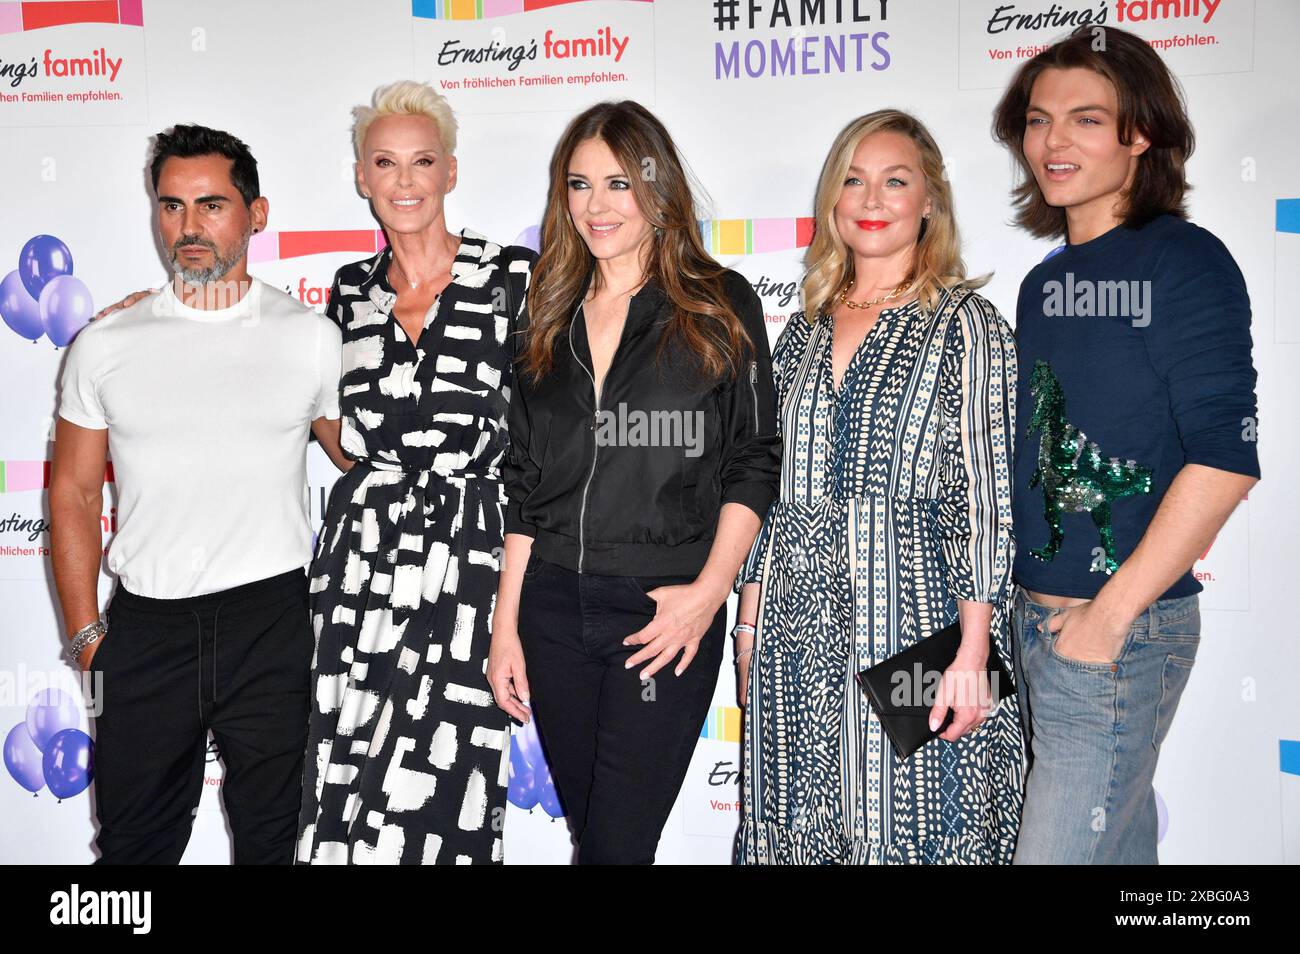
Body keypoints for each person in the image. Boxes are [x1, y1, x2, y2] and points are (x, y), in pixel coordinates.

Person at [992, 26, 1261, 864]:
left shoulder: (1186, 262)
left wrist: (1109, 617)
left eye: (1086, 119)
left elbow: (1225, 460)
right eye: (1039, 121)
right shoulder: (1043, 283)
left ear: (1139, 134)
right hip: (1033, 627)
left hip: (1115, 630)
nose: (1054, 142)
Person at [487, 100, 780, 864]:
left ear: (658, 188)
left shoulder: (717, 303)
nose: (596, 206)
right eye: (579, 185)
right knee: (597, 840)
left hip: (660, 611)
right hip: (551, 608)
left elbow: (753, 459)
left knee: (615, 847)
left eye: (618, 184)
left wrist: (711, 593)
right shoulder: (544, 312)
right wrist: (506, 622)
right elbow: (523, 477)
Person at [49, 124, 345, 864]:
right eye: (171, 206)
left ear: (257, 213)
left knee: (275, 845)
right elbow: (75, 494)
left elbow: (364, 457)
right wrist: (88, 638)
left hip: (270, 622)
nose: (188, 227)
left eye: (211, 205)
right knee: (131, 851)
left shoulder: (311, 336)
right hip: (147, 631)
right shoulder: (105, 345)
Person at [734, 109, 1025, 864]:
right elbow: (771, 490)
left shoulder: (966, 323)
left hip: (918, 621)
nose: (872, 198)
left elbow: (984, 496)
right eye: (854, 181)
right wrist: (749, 623)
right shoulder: (800, 329)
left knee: (916, 826)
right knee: (800, 830)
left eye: (896, 181)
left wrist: (973, 648)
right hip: (795, 639)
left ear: (930, 201)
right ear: (832, 201)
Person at [294, 81, 534, 865]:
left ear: (451, 173)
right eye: (385, 163)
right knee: (345, 761)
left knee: (448, 772)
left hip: (470, 558)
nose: (404, 181)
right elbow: (332, 428)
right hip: (360, 554)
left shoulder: (512, 280)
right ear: (361, 177)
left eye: (422, 161)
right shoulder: (348, 294)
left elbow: (545, 433)